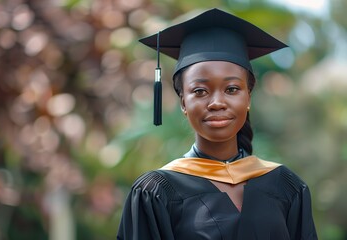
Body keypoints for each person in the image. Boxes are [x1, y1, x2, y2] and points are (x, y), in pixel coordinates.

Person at [117, 8, 317, 240]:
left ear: (248, 97)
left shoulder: (286, 186)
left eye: (232, 89)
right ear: (183, 102)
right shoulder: (156, 192)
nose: (217, 103)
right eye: (200, 91)